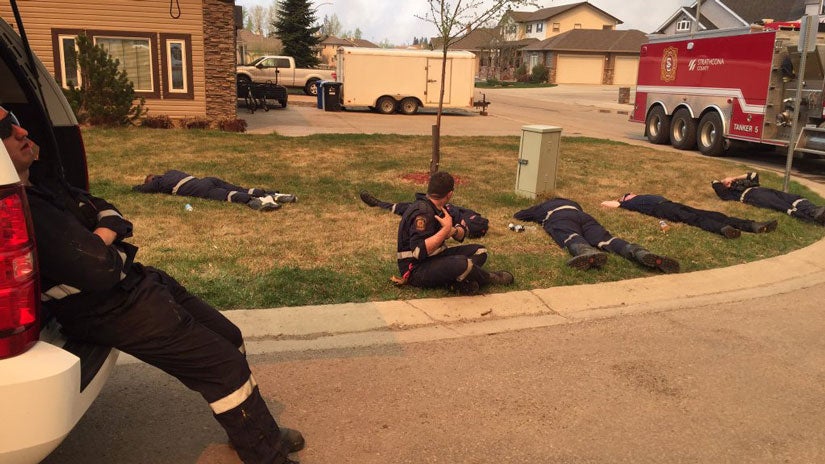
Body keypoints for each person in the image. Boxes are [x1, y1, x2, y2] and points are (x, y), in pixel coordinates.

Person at [2, 106, 303, 464]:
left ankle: (254, 433)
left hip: (136, 280)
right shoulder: (30, 210)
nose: (20, 133)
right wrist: (106, 237)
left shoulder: (45, 185)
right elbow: (100, 267)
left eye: (16, 123)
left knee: (228, 335)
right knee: (224, 368)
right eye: (5, 129)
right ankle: (264, 454)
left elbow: (110, 211)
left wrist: (103, 235)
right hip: (103, 306)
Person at [395, 171, 513, 295]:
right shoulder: (423, 213)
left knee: (480, 251)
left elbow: (462, 231)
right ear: (450, 194)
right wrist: (445, 230)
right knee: (463, 263)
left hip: (436, 257)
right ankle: (489, 278)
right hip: (416, 268)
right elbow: (418, 252)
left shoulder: (439, 207)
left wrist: (454, 231)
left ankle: (455, 282)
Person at [514, 198, 680, 272]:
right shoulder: (573, 203)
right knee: (606, 239)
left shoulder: (544, 207)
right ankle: (639, 252)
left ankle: (586, 252)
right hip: (584, 217)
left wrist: (536, 210)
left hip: (559, 217)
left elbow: (519, 215)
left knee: (570, 235)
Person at [601, 193, 778, 239]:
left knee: (713, 214)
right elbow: (609, 204)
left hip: (671, 204)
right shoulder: (629, 203)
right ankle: (723, 229)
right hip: (664, 211)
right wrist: (619, 201)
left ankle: (753, 226)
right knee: (694, 219)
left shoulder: (640, 196)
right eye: (626, 194)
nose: (630, 193)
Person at [133, 170, 297, 212]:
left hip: (197, 188)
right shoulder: (171, 172)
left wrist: (136, 187)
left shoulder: (158, 182)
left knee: (227, 195)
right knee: (238, 188)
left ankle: (261, 202)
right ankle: (274, 194)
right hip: (205, 179)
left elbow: (142, 190)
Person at [360, 190, 489, 238]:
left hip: (439, 216)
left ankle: (380, 204)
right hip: (443, 209)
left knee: (413, 209)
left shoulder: (475, 224)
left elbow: (460, 233)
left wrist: (453, 230)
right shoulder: (474, 215)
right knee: (413, 207)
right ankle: (381, 204)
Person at [712, 172, 825, 225]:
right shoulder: (728, 194)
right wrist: (723, 181)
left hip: (764, 190)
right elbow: (715, 183)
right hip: (754, 196)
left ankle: (814, 211)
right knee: (782, 205)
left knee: (792, 198)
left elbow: (753, 174)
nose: (729, 183)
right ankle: (811, 218)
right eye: (726, 184)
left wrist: (734, 177)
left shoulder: (746, 182)